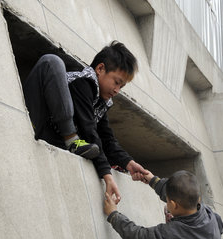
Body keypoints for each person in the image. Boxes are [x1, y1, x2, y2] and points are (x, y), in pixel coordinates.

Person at [23, 41, 146, 201]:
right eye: (116, 82)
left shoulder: (100, 102)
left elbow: (107, 139)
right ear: (100, 69)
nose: (117, 91)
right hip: (37, 121)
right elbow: (89, 129)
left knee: (97, 141)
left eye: (121, 87)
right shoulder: (83, 82)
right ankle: (72, 139)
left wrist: (128, 163)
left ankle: (72, 141)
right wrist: (106, 174)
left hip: (54, 139)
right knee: (52, 62)